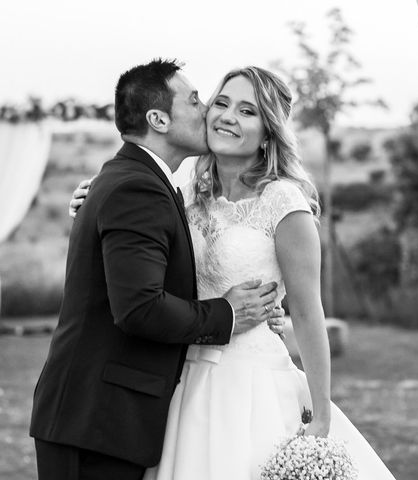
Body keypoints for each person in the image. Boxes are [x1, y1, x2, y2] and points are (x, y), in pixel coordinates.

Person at [71, 65, 396, 479]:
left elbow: (309, 312)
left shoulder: (283, 202)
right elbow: (137, 244)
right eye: (220, 103)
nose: (226, 116)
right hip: (183, 382)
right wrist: (92, 197)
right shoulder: (183, 193)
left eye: (247, 111)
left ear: (268, 132)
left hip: (252, 384)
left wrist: (321, 417)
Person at [30, 59, 285, 480]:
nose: (208, 111)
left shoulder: (144, 182)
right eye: (197, 100)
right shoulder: (138, 186)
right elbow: (139, 308)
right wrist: (228, 313)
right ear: (158, 119)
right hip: (97, 421)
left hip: (107, 418)